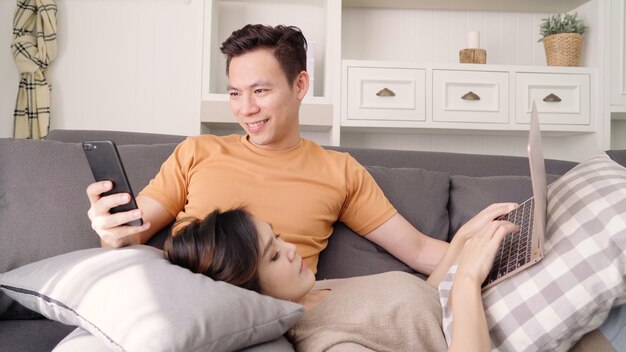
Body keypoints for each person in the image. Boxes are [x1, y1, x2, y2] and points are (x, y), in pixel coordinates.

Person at [85, 23, 515, 281]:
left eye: (260, 91)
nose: (245, 109)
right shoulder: (197, 151)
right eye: (235, 93)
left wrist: (475, 242)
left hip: (268, 316)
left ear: (300, 85)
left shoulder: (338, 171)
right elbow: (134, 231)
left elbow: (420, 252)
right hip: (181, 295)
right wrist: (111, 230)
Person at [165, 207, 520, 351]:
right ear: (246, 288)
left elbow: (419, 313)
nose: (289, 249)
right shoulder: (329, 343)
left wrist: (461, 243)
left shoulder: (312, 290)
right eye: (272, 256)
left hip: (493, 303)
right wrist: (468, 279)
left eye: (276, 237)